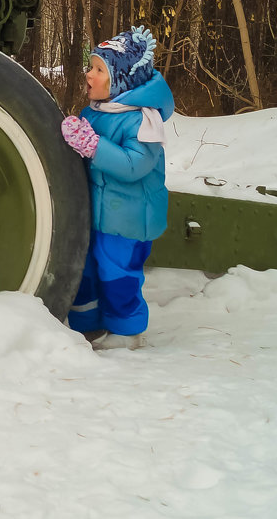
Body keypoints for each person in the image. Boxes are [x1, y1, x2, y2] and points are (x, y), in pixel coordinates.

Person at [60, 25, 175, 350]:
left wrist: (93, 145)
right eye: (91, 67)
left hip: (127, 221)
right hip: (98, 216)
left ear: (122, 80)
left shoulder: (141, 121)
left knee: (117, 275)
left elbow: (133, 166)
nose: (89, 75)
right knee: (87, 270)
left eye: (99, 69)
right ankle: (87, 326)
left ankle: (126, 332)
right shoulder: (95, 113)